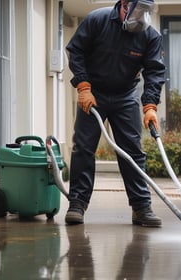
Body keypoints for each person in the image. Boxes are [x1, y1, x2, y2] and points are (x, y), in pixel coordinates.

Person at [65, 0, 166, 227]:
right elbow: (76, 50)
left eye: (145, 12)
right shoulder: (97, 20)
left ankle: (141, 207)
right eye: (137, 10)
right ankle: (77, 204)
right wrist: (83, 86)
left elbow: (155, 71)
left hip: (126, 94)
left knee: (132, 151)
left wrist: (150, 105)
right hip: (93, 92)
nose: (140, 16)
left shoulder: (150, 35)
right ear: (123, 5)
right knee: (83, 147)